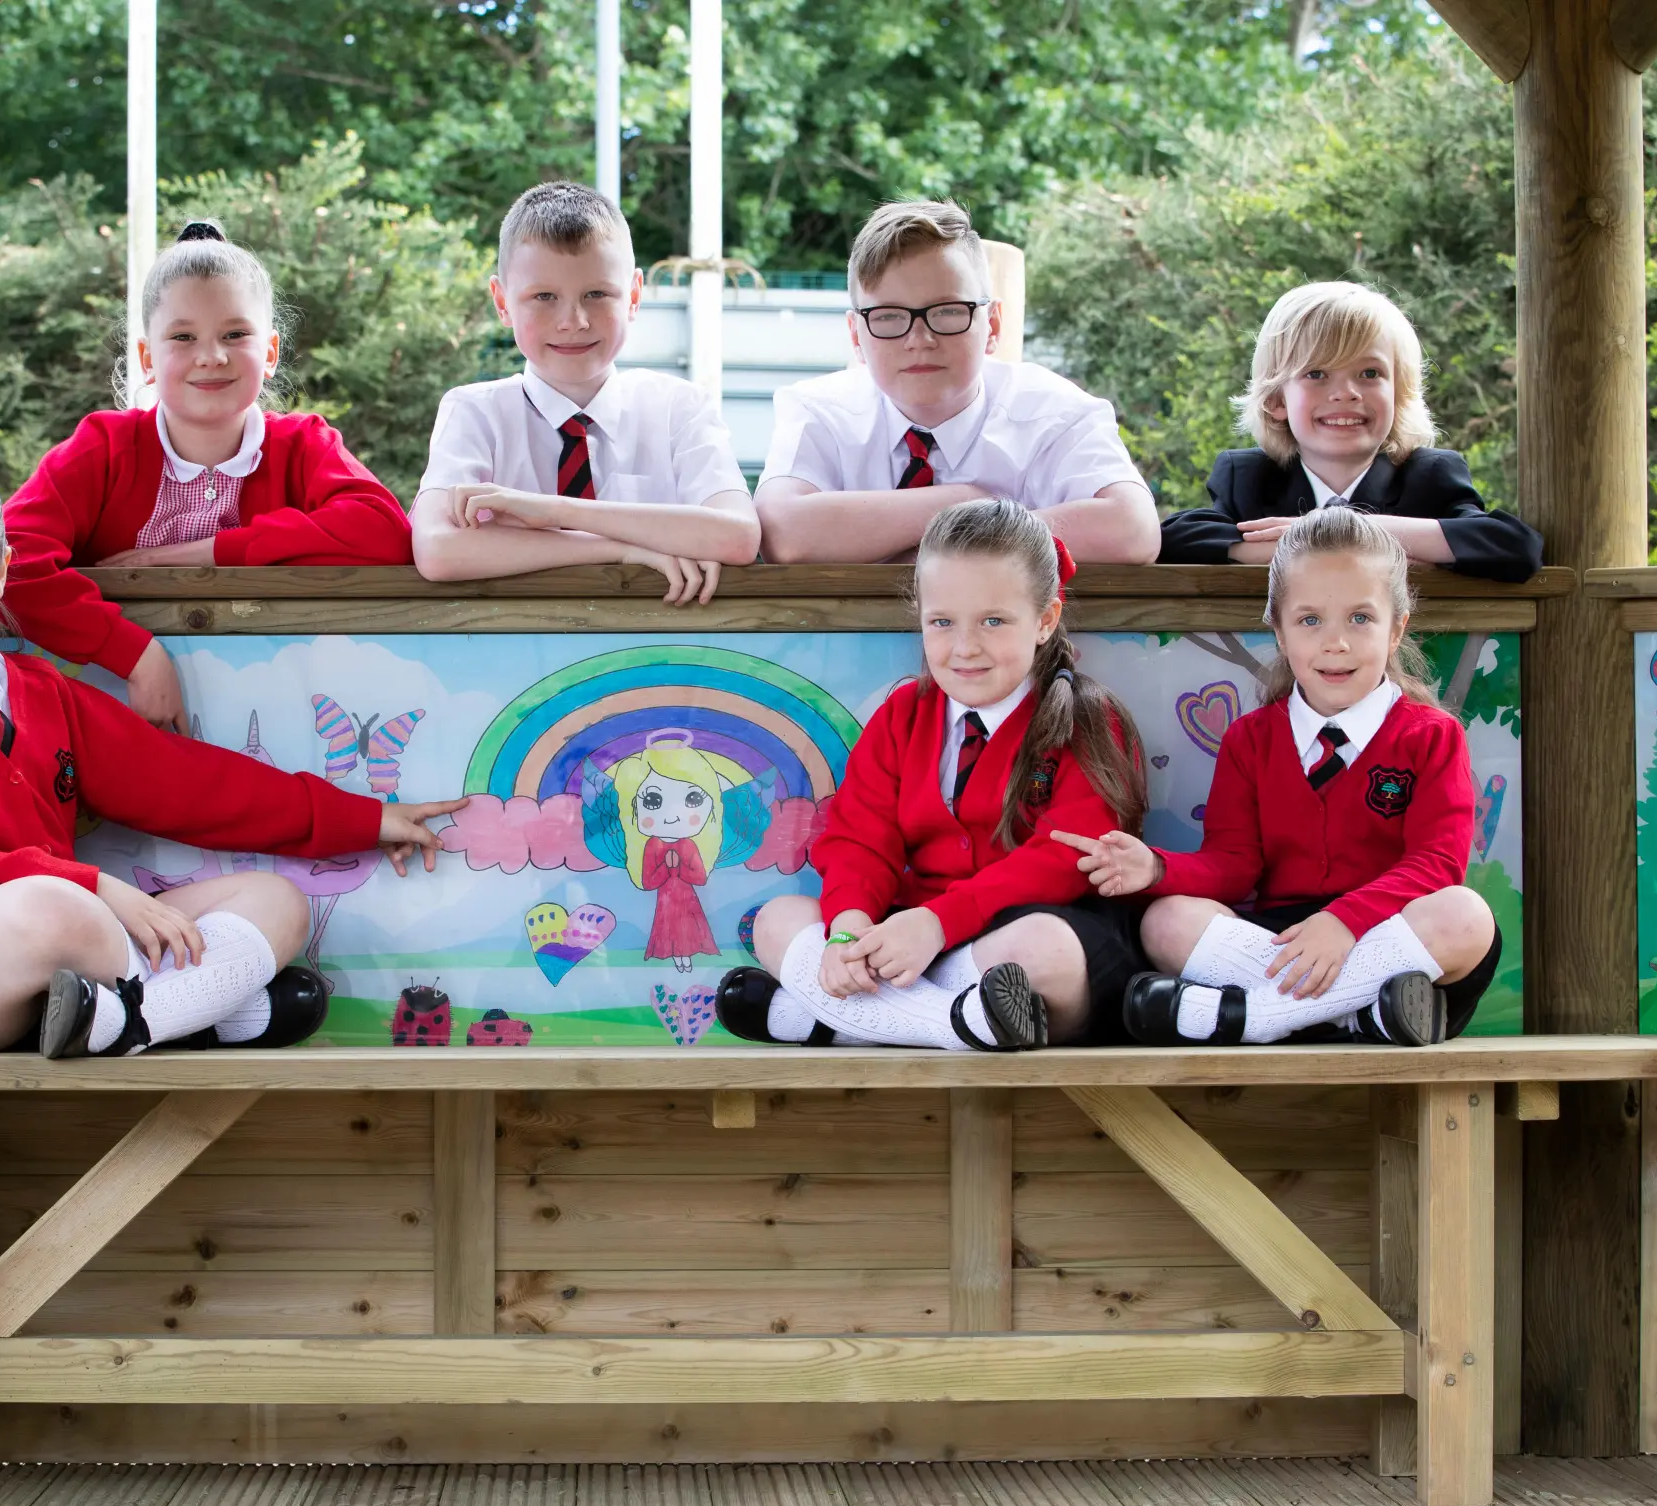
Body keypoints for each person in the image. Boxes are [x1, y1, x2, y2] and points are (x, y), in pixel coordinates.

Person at [0, 450, 460, 1060]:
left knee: (277, 900)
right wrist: (98, 886)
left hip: (67, 955)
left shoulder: (39, 690)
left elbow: (186, 783)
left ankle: (124, 1019)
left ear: (2, 566)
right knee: (52, 908)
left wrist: (367, 818)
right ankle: (207, 1011)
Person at [718, 497, 1148, 1051]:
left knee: (1046, 952)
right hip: (911, 937)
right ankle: (954, 1024)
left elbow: (1067, 858)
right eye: (942, 622)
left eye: (994, 621)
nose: (965, 647)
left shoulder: (1089, 718)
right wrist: (849, 930)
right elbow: (858, 837)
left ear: (1045, 620)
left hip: (1017, 937)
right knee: (780, 918)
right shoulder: (903, 716)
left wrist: (938, 923)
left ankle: (837, 1022)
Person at [1059, 506, 1501, 1045]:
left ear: (1396, 629)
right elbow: (1232, 866)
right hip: (1280, 945)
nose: (1334, 642)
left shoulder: (1431, 735)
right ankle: (1354, 1018)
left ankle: (1254, 1019)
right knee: (1166, 920)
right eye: (1310, 620)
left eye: (1360, 618)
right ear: (1281, 632)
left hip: (1387, 938)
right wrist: (1156, 868)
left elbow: (1435, 864)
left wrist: (1344, 923)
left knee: (1467, 916)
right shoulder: (1251, 738)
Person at [1, 219, 413, 733]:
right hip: (110, 720)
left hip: (274, 719)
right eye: (183, 336)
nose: (211, 356)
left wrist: (209, 553)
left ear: (270, 351)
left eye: (235, 334)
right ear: (147, 359)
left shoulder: (304, 445)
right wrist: (133, 654)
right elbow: (7, 560)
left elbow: (383, 531)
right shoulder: (102, 448)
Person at [754, 199, 1156, 566]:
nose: (919, 340)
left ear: (993, 324)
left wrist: (948, 544)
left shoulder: (1056, 412)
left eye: (947, 312)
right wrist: (965, 501)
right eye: (889, 316)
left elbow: (1133, 529)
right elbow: (781, 535)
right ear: (857, 335)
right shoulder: (819, 410)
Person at [410, 181, 758, 604]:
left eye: (597, 294)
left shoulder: (678, 408)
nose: (573, 321)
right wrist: (621, 548)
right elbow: (436, 548)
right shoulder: (474, 411)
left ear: (633, 295)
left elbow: (738, 537)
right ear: (502, 302)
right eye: (543, 296)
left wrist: (552, 512)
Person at [1158, 281, 1542, 581]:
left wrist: (1358, 530)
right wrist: (1300, 545)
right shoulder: (1250, 477)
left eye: (1370, 373)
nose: (1346, 393)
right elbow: (1171, 538)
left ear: (1400, 393)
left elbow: (1515, 547)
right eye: (1317, 374)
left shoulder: (1431, 476)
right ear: (1276, 400)